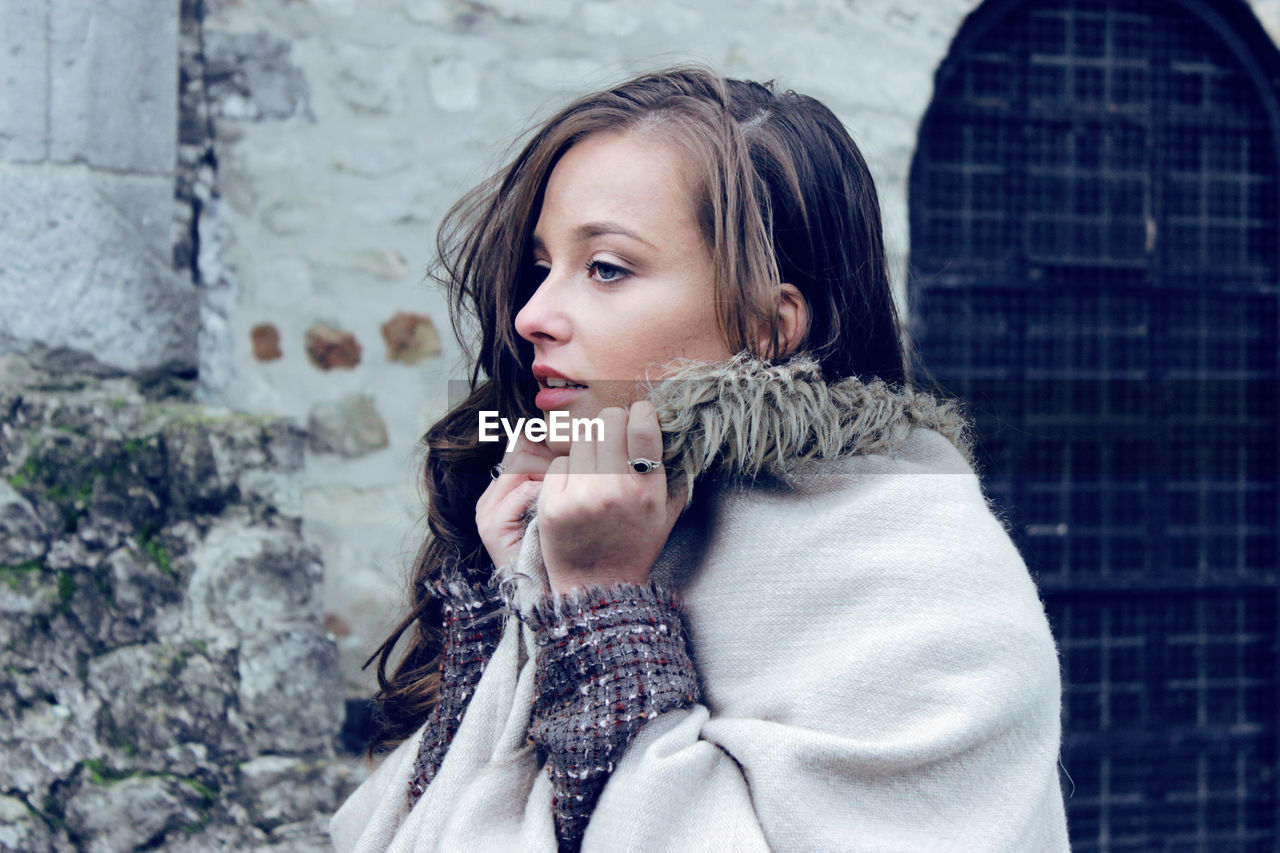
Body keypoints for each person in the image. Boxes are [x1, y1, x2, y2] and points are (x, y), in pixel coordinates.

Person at [331, 64, 1070, 852]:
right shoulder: (566, 512)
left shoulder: (925, 582)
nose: (532, 314)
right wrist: (507, 603)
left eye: (606, 268)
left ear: (765, 326)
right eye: (543, 267)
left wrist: (601, 607)